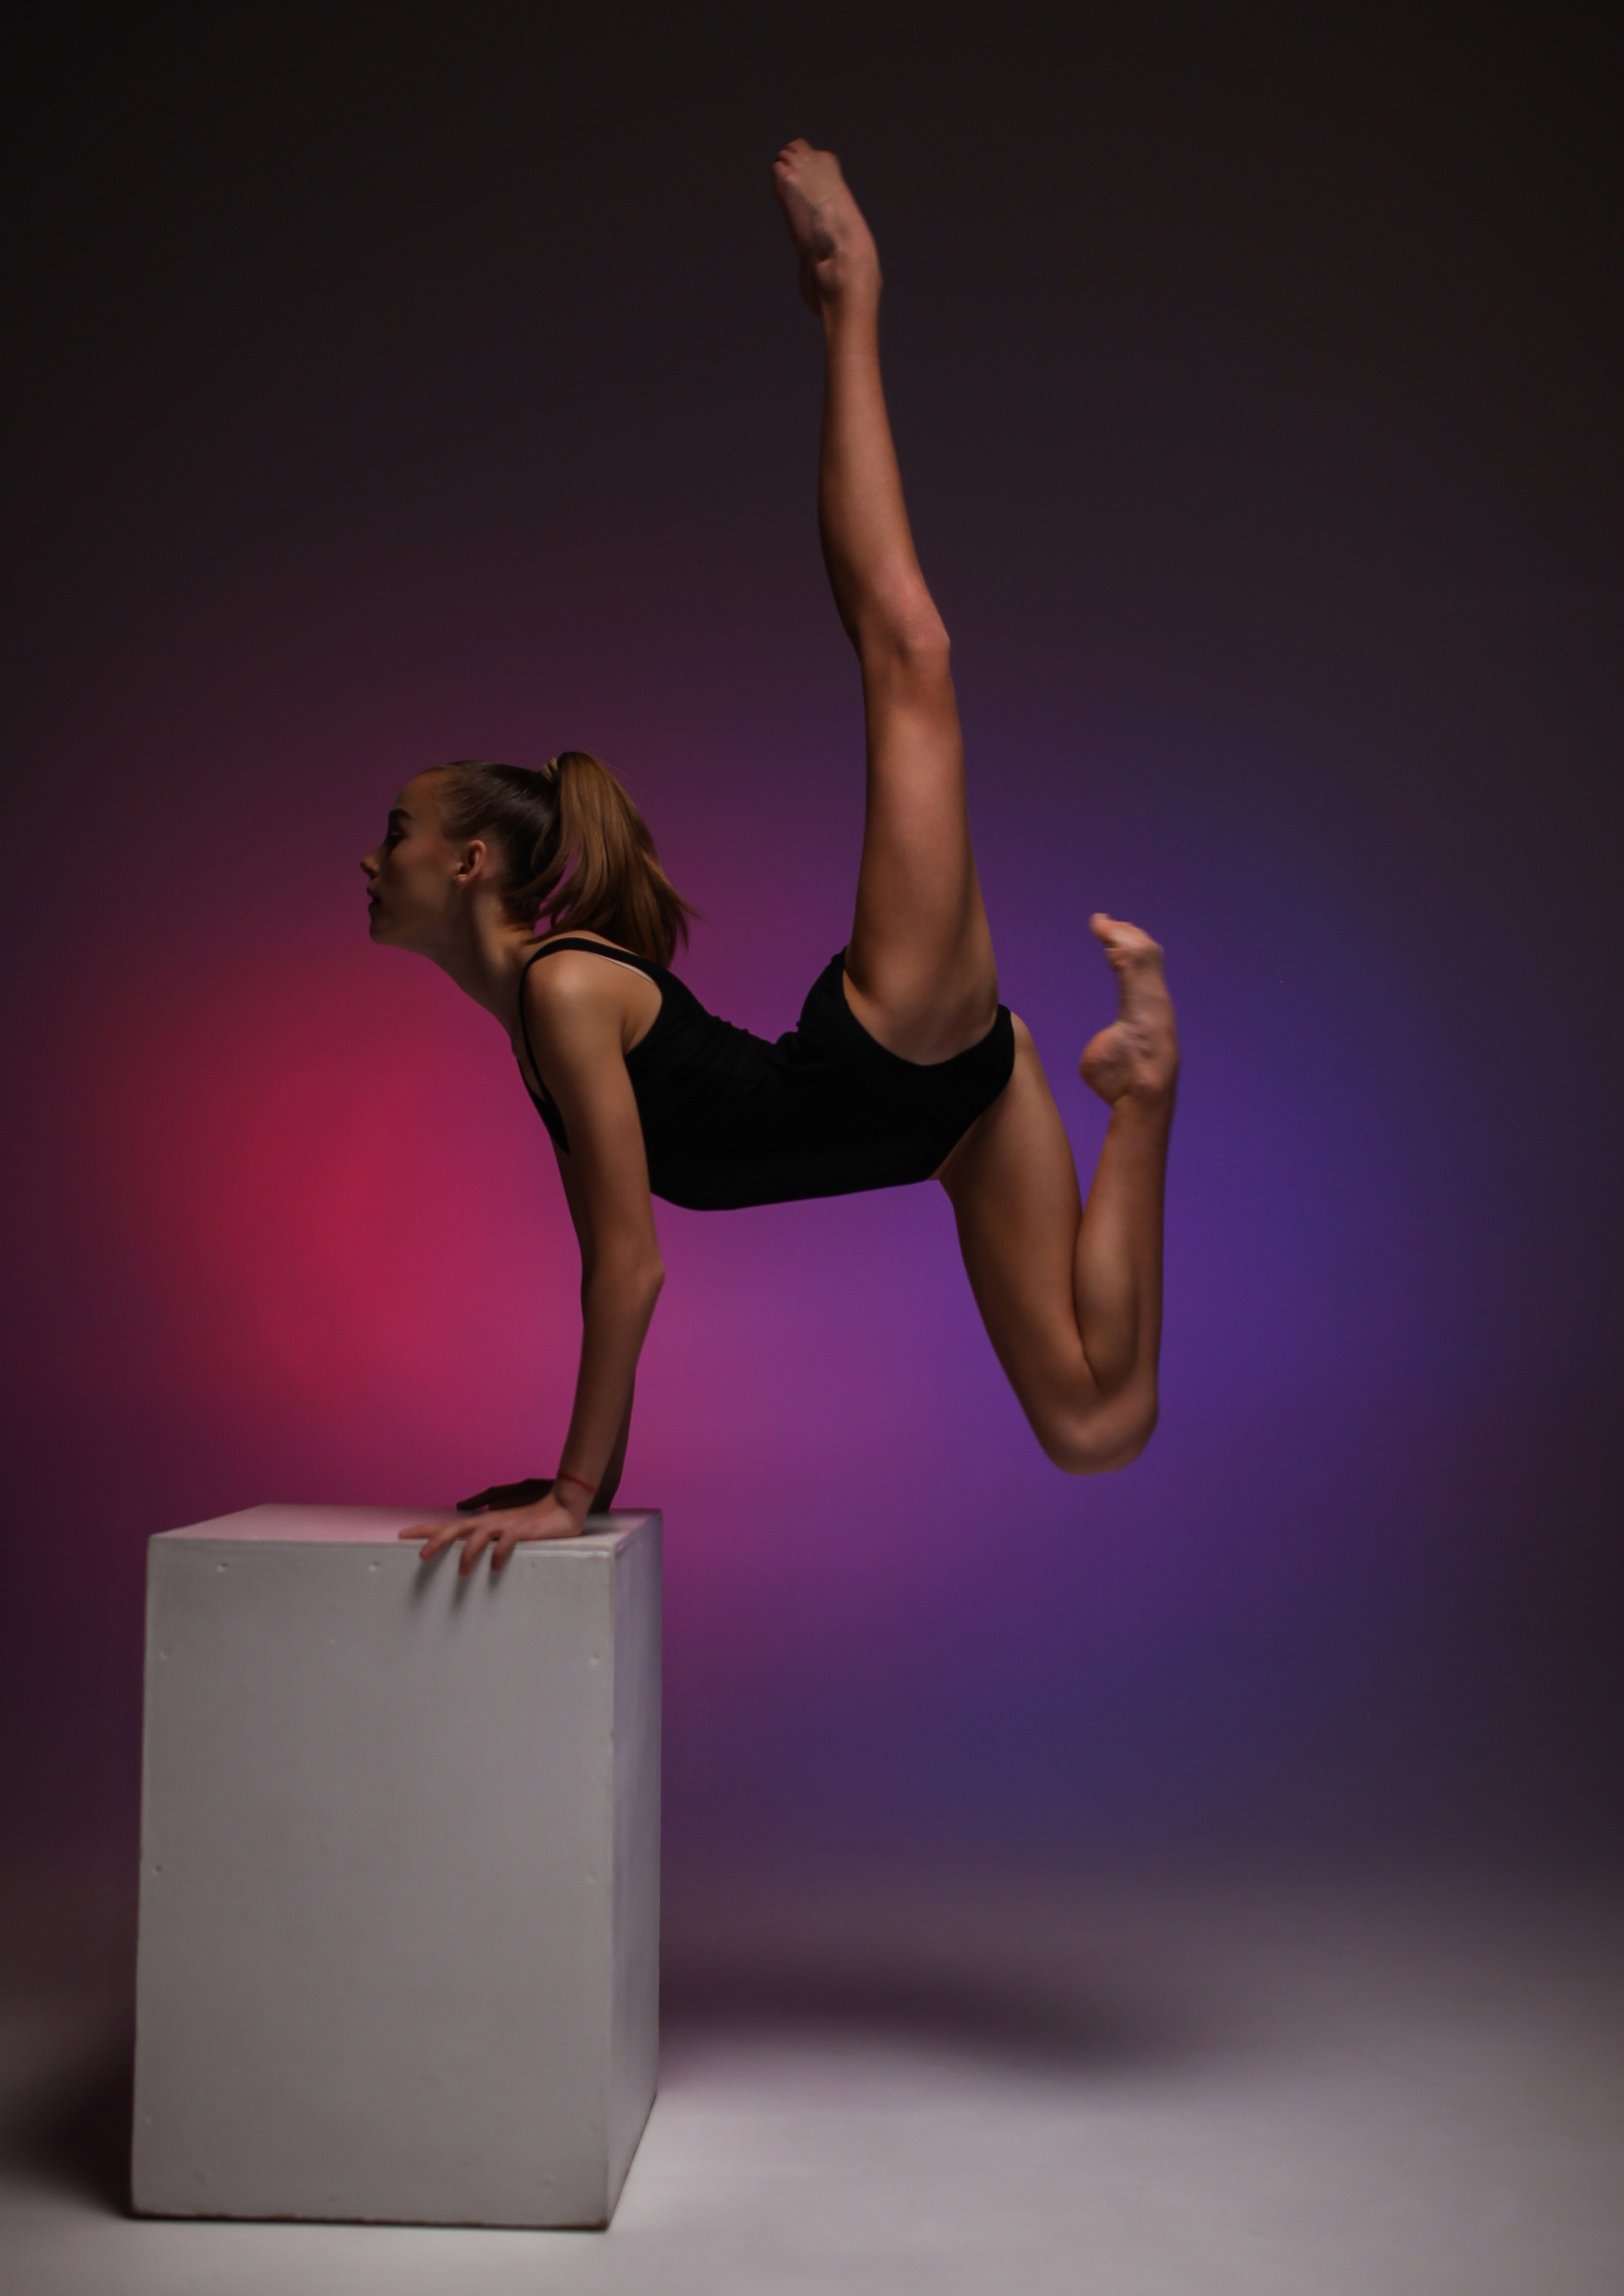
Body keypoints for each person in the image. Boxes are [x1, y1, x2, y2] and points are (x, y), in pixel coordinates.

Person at [361, 142, 1179, 1576]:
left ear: (473, 863)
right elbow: (613, 1261)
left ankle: (851, 295)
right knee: (1098, 1425)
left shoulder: (561, 994)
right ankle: (1143, 1091)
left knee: (909, 656)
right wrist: (576, 1489)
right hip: (956, 1118)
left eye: (396, 835)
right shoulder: (535, 1018)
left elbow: (629, 1268)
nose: (370, 861)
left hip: (894, 1047)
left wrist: (574, 1493)